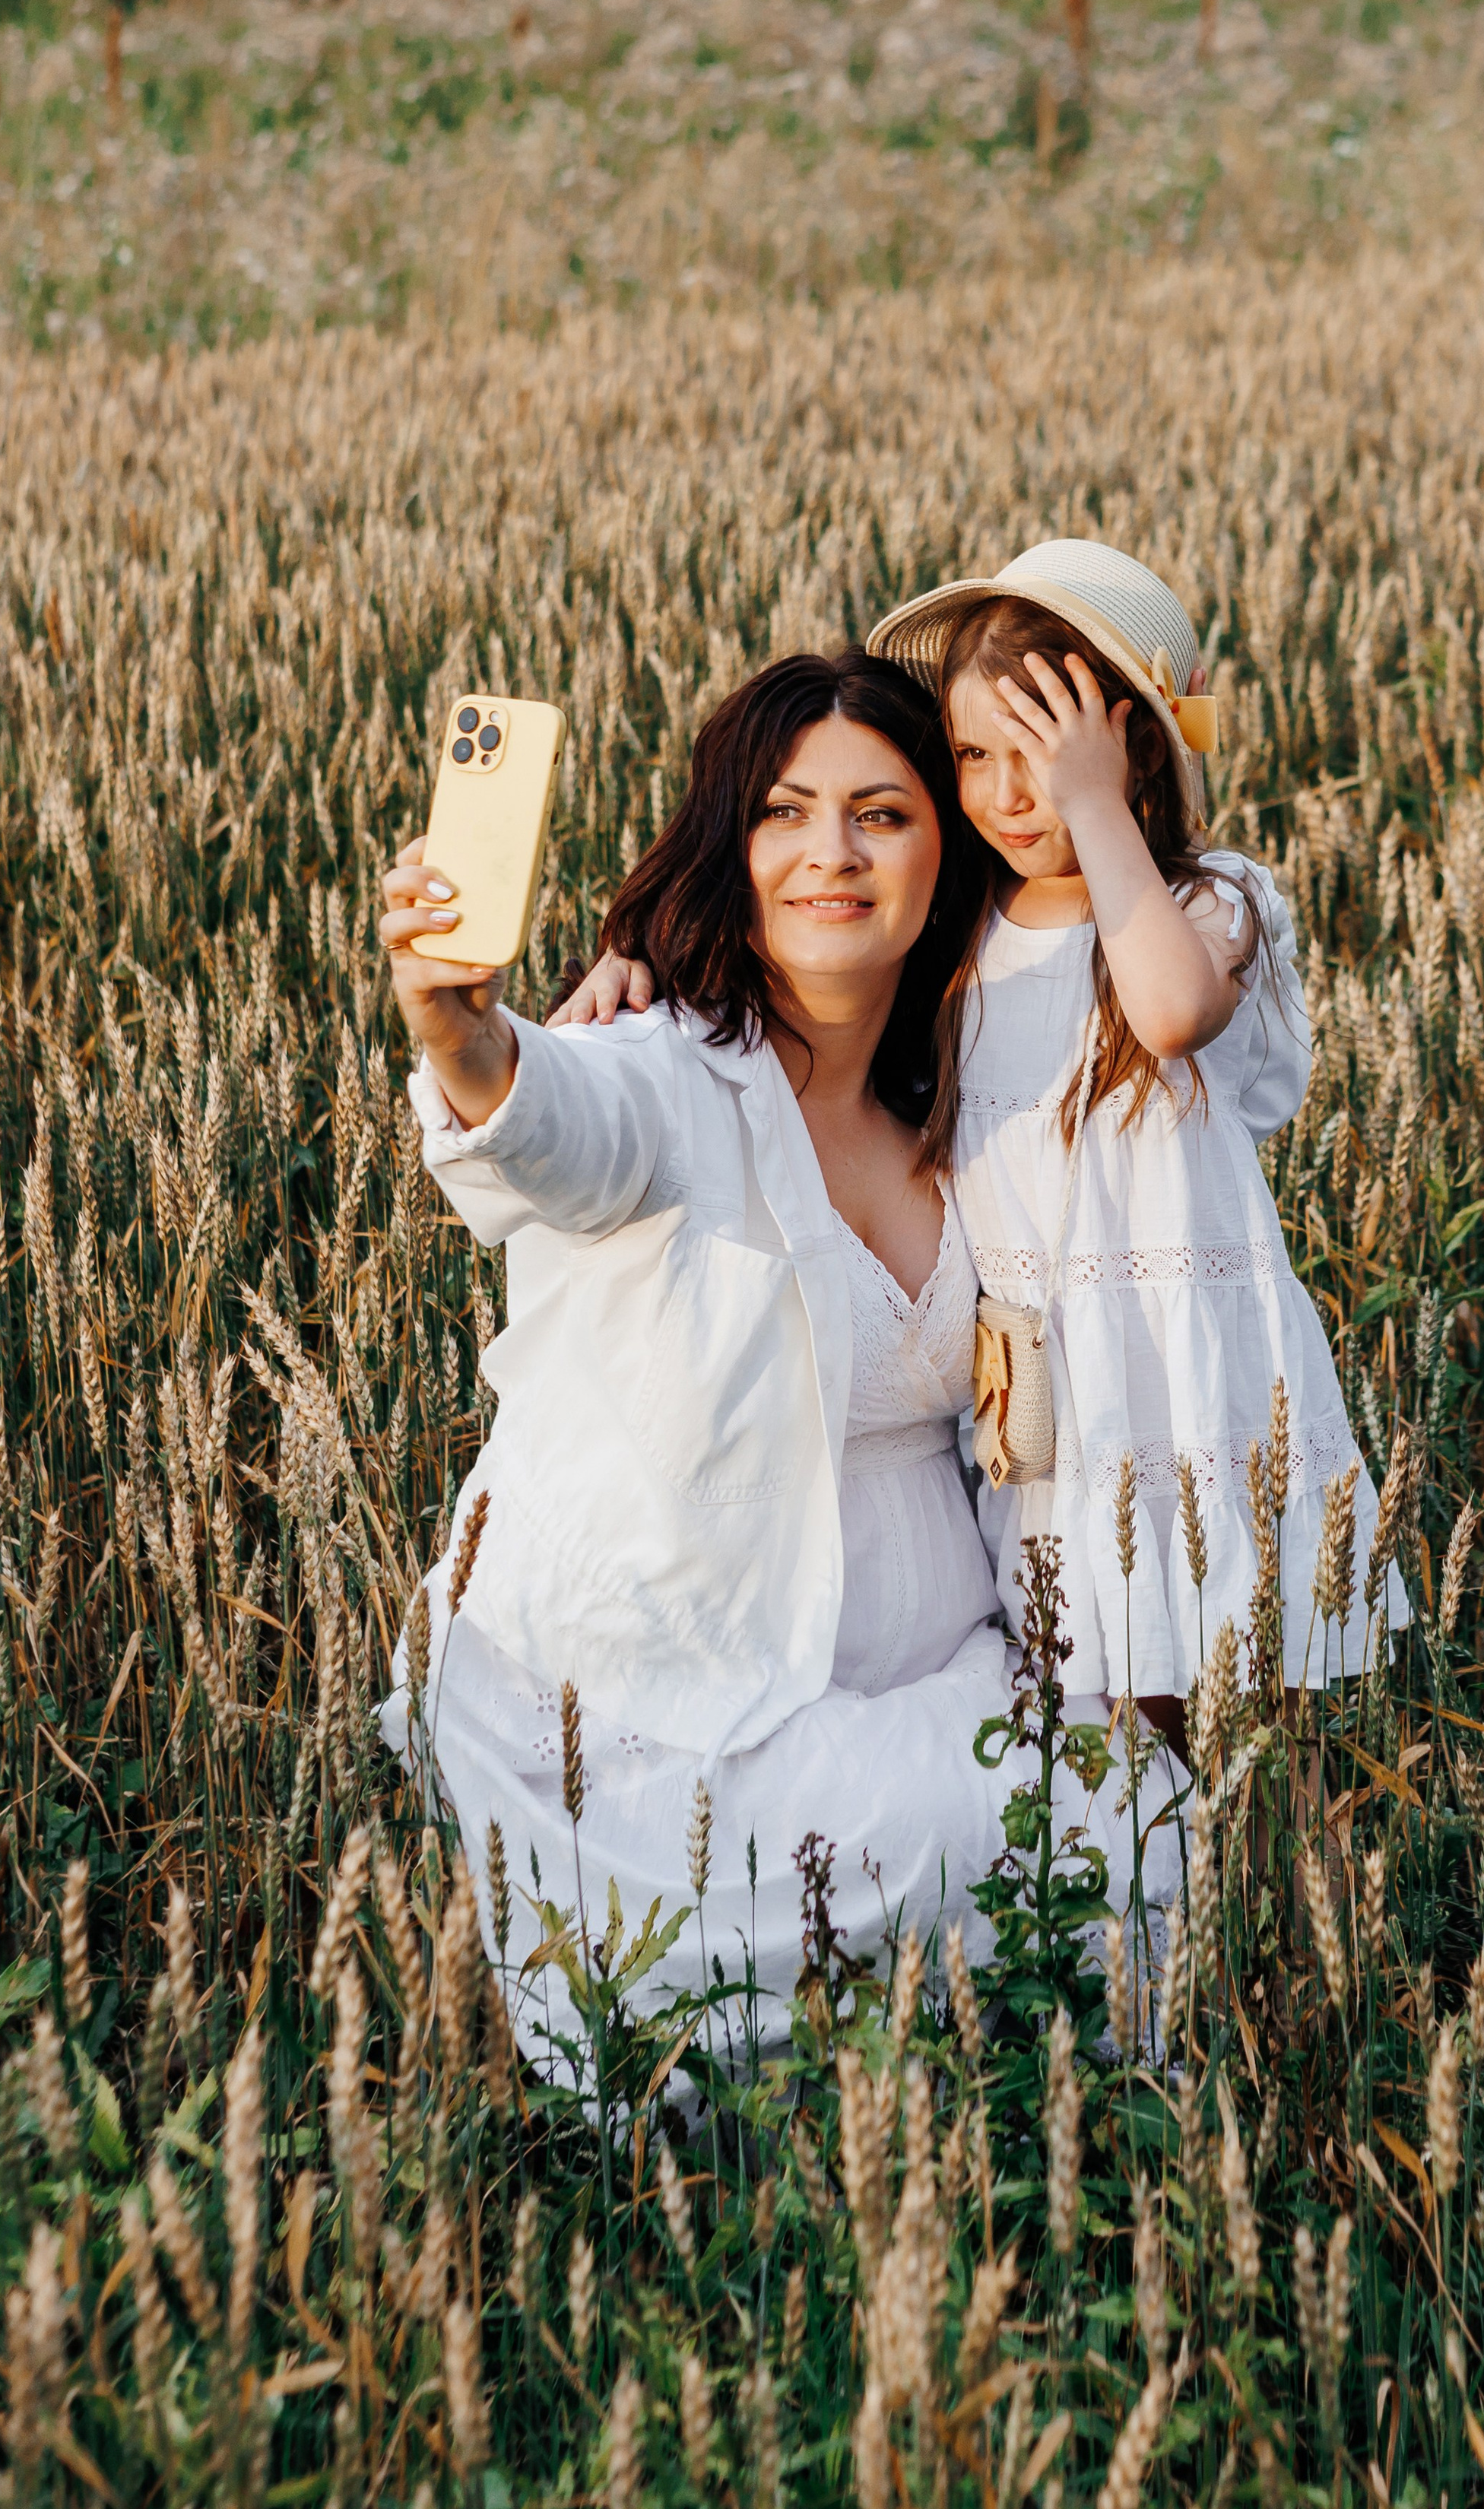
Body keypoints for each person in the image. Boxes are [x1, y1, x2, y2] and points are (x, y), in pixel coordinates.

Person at [379, 648, 1146, 2076]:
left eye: (883, 813)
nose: (830, 855)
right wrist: (463, 1030)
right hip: (671, 1715)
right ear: (733, 850)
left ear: (949, 852)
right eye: (784, 814)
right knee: (843, 1963)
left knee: (1151, 1835)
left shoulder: (979, 1085)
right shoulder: (667, 1066)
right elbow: (552, 1124)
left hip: (952, 1679)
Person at [572, 543, 1407, 1723]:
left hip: (1193, 1390)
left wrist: (1099, 803)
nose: (1011, 794)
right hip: (1046, 1424)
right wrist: (640, 956)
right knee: (1113, 1744)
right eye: (975, 757)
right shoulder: (967, 939)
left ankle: (1284, 1906)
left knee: (1257, 1727)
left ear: (1134, 752)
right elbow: (806, 938)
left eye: (1044, 759)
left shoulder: (1206, 904)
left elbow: (1167, 1012)